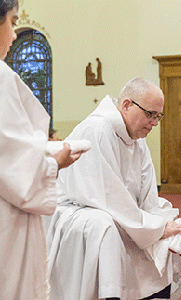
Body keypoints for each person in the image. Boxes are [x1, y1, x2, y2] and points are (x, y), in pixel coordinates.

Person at [46, 78, 181, 300]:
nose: (155, 122)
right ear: (126, 105)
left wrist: (157, 221)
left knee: (162, 215)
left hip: (113, 208)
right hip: (75, 211)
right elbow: (104, 195)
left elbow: (147, 195)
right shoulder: (96, 129)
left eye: (158, 116)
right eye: (150, 114)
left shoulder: (137, 138)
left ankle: (158, 293)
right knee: (106, 225)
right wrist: (153, 227)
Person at [0, 1, 84, 299]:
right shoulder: (1, 78)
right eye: (11, 22)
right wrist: (54, 163)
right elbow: (10, 165)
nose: (13, 36)